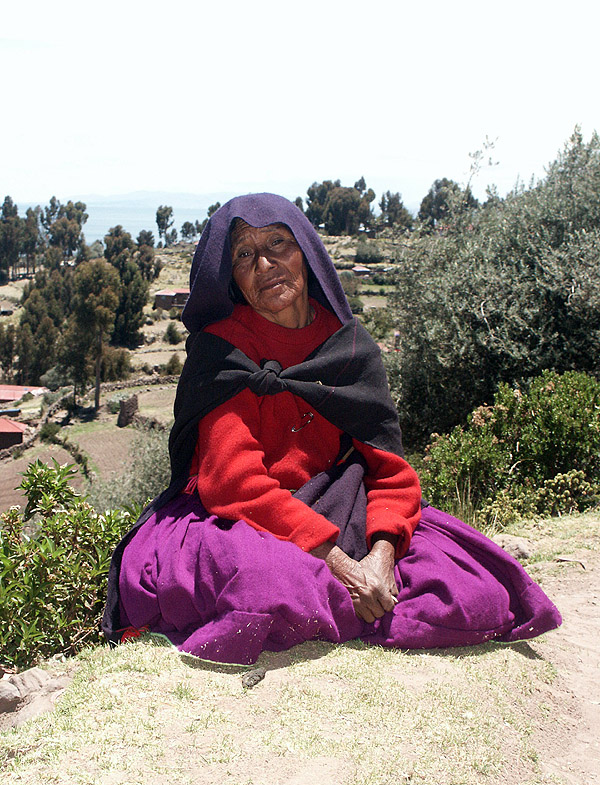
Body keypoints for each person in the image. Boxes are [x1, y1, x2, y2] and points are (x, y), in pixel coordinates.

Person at [103, 193, 561, 665]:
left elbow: (391, 471)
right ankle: (348, 604)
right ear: (231, 277)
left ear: (305, 251)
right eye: (243, 254)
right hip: (242, 519)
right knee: (266, 584)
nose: (264, 264)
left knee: (476, 591)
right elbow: (233, 483)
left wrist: (381, 557)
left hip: (340, 509)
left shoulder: (351, 349)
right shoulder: (222, 352)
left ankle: (343, 603)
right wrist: (342, 566)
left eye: (278, 243)